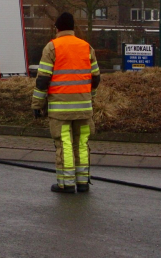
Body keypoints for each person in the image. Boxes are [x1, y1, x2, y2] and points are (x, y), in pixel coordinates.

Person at [32, 12, 100, 194]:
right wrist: (89, 96)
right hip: (84, 108)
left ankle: (67, 184)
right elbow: (96, 77)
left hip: (60, 109)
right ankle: (83, 182)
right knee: (82, 143)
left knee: (65, 144)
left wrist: (37, 105)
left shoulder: (52, 47)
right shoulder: (86, 47)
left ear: (57, 28)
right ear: (72, 28)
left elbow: (42, 80)